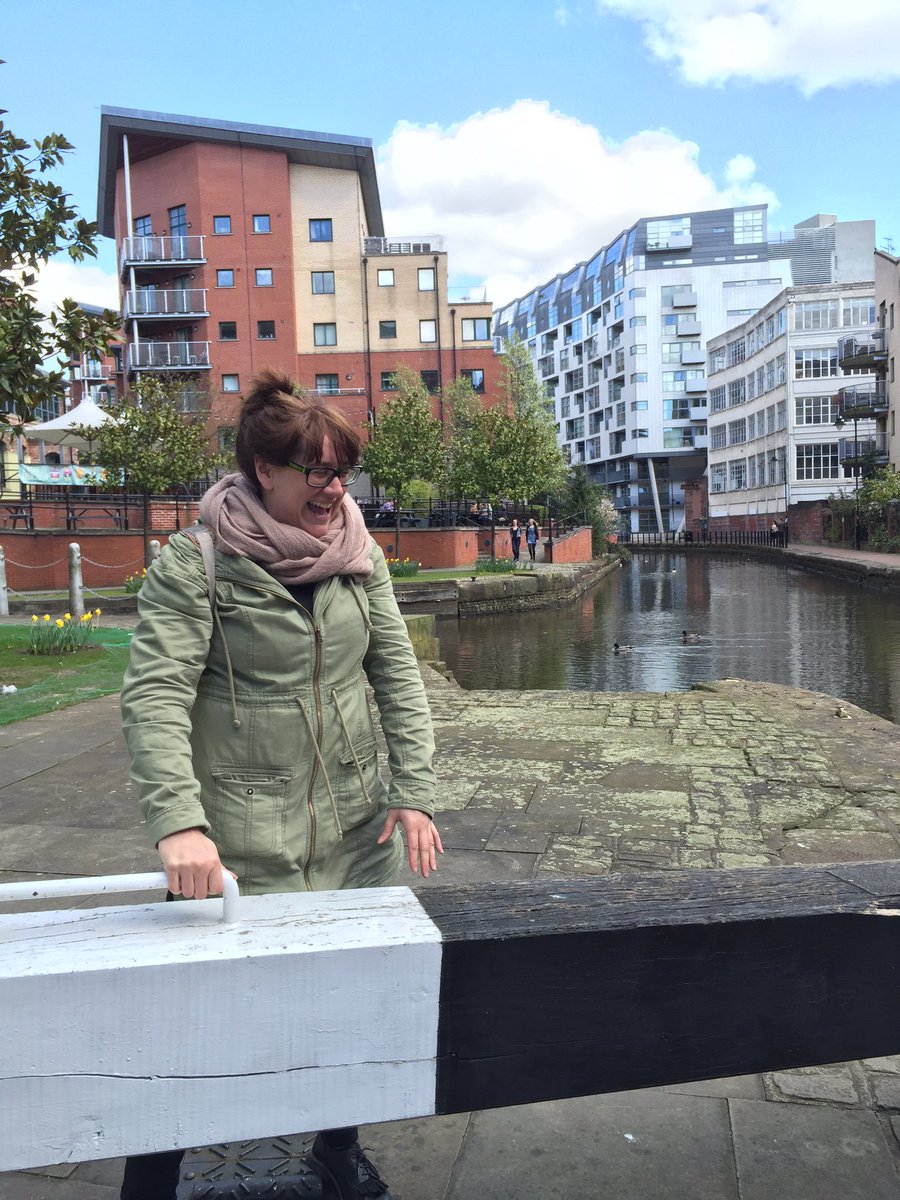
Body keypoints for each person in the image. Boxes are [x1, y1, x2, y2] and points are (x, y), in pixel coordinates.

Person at [118, 370, 442, 1200]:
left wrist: (414, 789)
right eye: (319, 473)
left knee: (345, 1007)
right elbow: (155, 695)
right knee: (198, 1028)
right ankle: (154, 1174)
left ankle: (337, 1149)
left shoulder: (358, 554)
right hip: (239, 839)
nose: (336, 490)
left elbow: (396, 676)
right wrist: (178, 824)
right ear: (266, 470)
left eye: (342, 472)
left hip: (352, 829)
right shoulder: (198, 562)